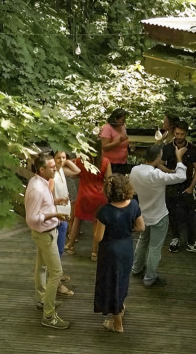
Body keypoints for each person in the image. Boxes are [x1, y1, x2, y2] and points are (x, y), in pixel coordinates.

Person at [129, 143, 187, 287]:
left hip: (143, 213)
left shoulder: (135, 171)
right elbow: (181, 176)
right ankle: (149, 278)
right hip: (159, 215)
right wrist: (179, 158)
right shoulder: (157, 175)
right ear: (157, 158)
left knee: (142, 241)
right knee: (154, 248)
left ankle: (136, 268)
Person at [25, 153, 71, 329]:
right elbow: (32, 218)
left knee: (42, 267)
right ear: (42, 169)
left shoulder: (40, 182)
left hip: (44, 233)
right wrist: (55, 214)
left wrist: (56, 202)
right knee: (56, 273)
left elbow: (41, 206)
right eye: (52, 167)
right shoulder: (37, 188)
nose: (55, 168)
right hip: (45, 234)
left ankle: (42, 300)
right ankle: (49, 316)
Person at [93, 174, 144, 333]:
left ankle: (117, 324)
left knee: (111, 285)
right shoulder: (134, 205)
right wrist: (127, 229)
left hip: (110, 253)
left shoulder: (104, 211)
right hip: (126, 249)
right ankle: (121, 307)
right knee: (122, 281)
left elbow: (98, 237)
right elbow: (141, 227)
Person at [163, 121, 196, 256]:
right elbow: (160, 164)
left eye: (182, 134)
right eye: (177, 133)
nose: (179, 136)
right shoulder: (167, 148)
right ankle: (175, 237)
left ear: (186, 134)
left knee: (190, 214)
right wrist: (170, 173)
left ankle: (191, 241)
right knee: (172, 213)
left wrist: (192, 187)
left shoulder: (193, 149)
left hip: (186, 185)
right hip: (171, 186)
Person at [66, 139, 111, 261]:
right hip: (99, 195)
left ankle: (70, 246)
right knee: (97, 222)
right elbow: (109, 179)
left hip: (84, 194)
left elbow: (74, 174)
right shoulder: (105, 161)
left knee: (78, 219)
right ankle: (94, 252)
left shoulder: (81, 161)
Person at [49, 150, 79, 296]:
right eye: (58, 158)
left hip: (64, 214)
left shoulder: (61, 171)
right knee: (58, 250)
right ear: (52, 159)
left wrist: (66, 162)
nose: (61, 160)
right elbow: (48, 198)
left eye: (63, 157)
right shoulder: (52, 175)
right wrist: (57, 204)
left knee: (59, 249)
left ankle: (57, 274)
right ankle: (56, 283)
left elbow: (77, 171)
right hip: (58, 216)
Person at [101, 108, 132, 174]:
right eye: (122, 120)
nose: (124, 121)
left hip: (122, 162)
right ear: (115, 119)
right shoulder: (107, 128)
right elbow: (104, 147)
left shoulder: (122, 126)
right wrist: (118, 141)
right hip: (111, 164)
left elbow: (125, 139)